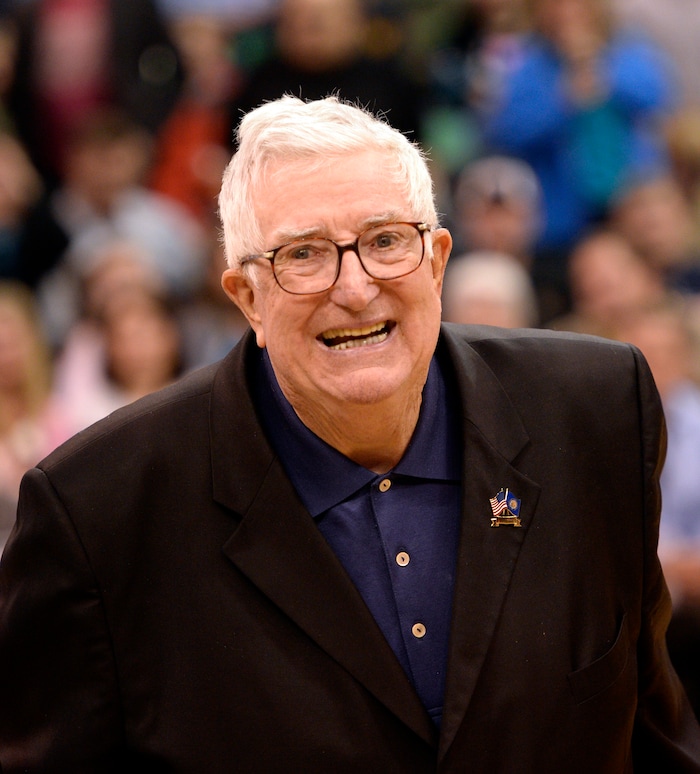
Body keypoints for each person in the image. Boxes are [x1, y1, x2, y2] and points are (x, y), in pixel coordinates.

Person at [0, 95, 699, 771]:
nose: (356, 287)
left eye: (386, 240)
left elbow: (655, 735)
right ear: (246, 298)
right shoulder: (97, 509)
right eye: (302, 254)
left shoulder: (598, 410)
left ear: (437, 259)